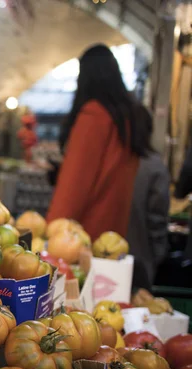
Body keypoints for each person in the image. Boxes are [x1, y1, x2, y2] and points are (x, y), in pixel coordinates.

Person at [46, 44, 147, 241]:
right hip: (113, 236)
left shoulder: (94, 116)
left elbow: (74, 185)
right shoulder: (127, 119)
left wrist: (52, 232)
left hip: (82, 237)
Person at [126, 106, 170, 291]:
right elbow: (157, 219)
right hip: (141, 260)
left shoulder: (110, 165)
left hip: (103, 260)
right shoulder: (155, 167)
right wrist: (157, 254)